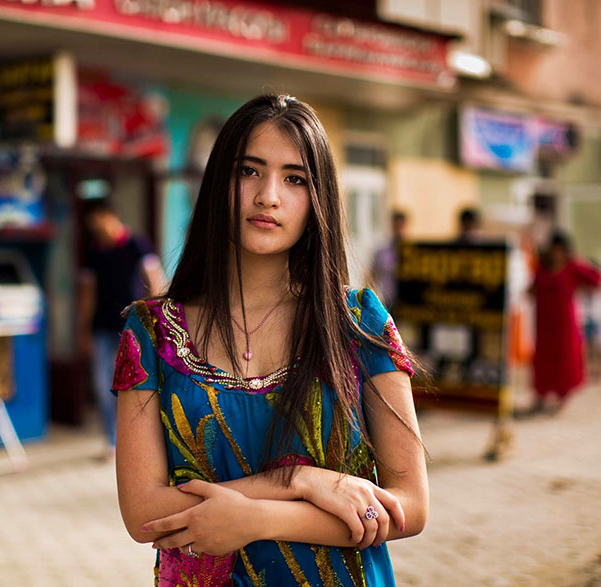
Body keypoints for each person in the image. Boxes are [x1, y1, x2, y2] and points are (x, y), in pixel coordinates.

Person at [112, 95, 428, 586]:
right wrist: (299, 481)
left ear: (319, 199)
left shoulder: (358, 323)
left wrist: (257, 519)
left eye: (295, 178)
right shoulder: (151, 333)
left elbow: (409, 505)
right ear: (218, 183)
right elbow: (144, 513)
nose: (269, 196)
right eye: (249, 171)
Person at [78, 198, 165, 459]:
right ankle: (111, 440)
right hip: (102, 328)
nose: (95, 227)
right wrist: (83, 330)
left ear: (110, 215)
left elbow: (156, 281)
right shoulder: (94, 253)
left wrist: (157, 320)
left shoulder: (137, 244)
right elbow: (88, 293)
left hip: (134, 328)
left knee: (136, 385)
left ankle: (137, 441)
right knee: (102, 385)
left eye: (97, 220)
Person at [528, 231, 601, 415]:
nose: (556, 253)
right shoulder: (542, 267)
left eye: (560, 250)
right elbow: (533, 289)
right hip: (544, 324)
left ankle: (563, 397)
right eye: (554, 249)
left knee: (564, 359)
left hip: (565, 325)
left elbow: (598, 279)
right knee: (544, 360)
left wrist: (578, 263)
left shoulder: (572, 267)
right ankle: (540, 397)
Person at [368, 210, 406, 310]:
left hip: (407, 302)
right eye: (396, 227)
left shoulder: (415, 253)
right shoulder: (383, 251)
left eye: (401, 227)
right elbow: (372, 276)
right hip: (389, 300)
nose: (399, 231)